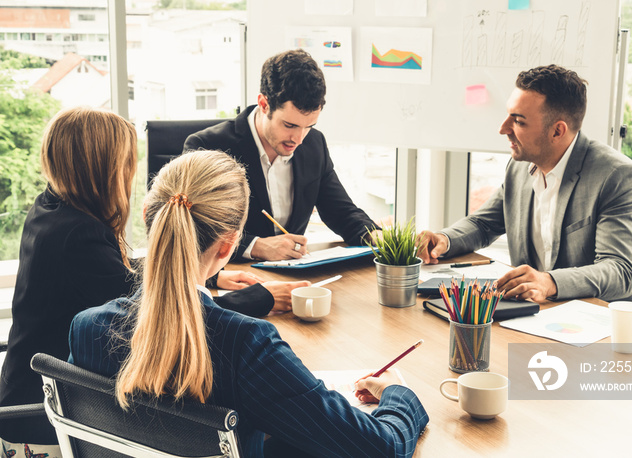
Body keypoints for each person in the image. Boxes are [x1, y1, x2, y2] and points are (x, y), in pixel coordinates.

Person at [68, 150, 429, 457]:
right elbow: (381, 448)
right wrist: (401, 395)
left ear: (148, 215)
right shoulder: (246, 345)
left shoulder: (86, 327)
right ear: (229, 246)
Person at [0, 108, 299, 453]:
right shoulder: (78, 236)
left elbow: (123, 276)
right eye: (127, 164)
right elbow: (161, 307)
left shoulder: (53, 210)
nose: (129, 174)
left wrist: (209, 269)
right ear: (103, 168)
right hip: (44, 417)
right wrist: (261, 297)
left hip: (31, 386)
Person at [417, 64, 632, 309]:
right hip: (549, 312)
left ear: (557, 131)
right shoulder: (520, 167)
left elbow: (620, 271)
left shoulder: (616, 176)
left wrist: (548, 282)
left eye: (519, 122)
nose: (503, 129)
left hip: (619, 321)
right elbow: (483, 224)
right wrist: (443, 240)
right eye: (508, 116)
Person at [184, 49, 379, 262]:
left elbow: (342, 213)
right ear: (264, 104)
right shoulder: (207, 147)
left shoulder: (314, 144)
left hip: (294, 280)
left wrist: (382, 238)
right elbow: (191, 229)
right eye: (289, 125)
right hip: (231, 280)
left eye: (308, 126)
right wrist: (256, 246)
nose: (298, 139)